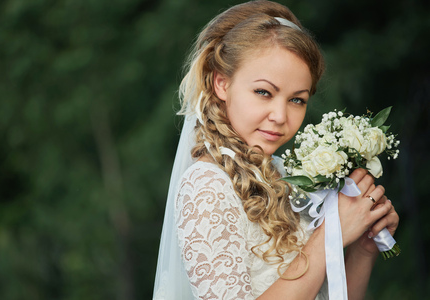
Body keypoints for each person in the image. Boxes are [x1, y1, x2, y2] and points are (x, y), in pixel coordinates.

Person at [153, 1, 400, 299]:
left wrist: (364, 248)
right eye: (263, 92)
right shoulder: (207, 186)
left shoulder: (287, 176)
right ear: (222, 83)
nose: (281, 116)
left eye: (297, 99)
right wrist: (329, 237)